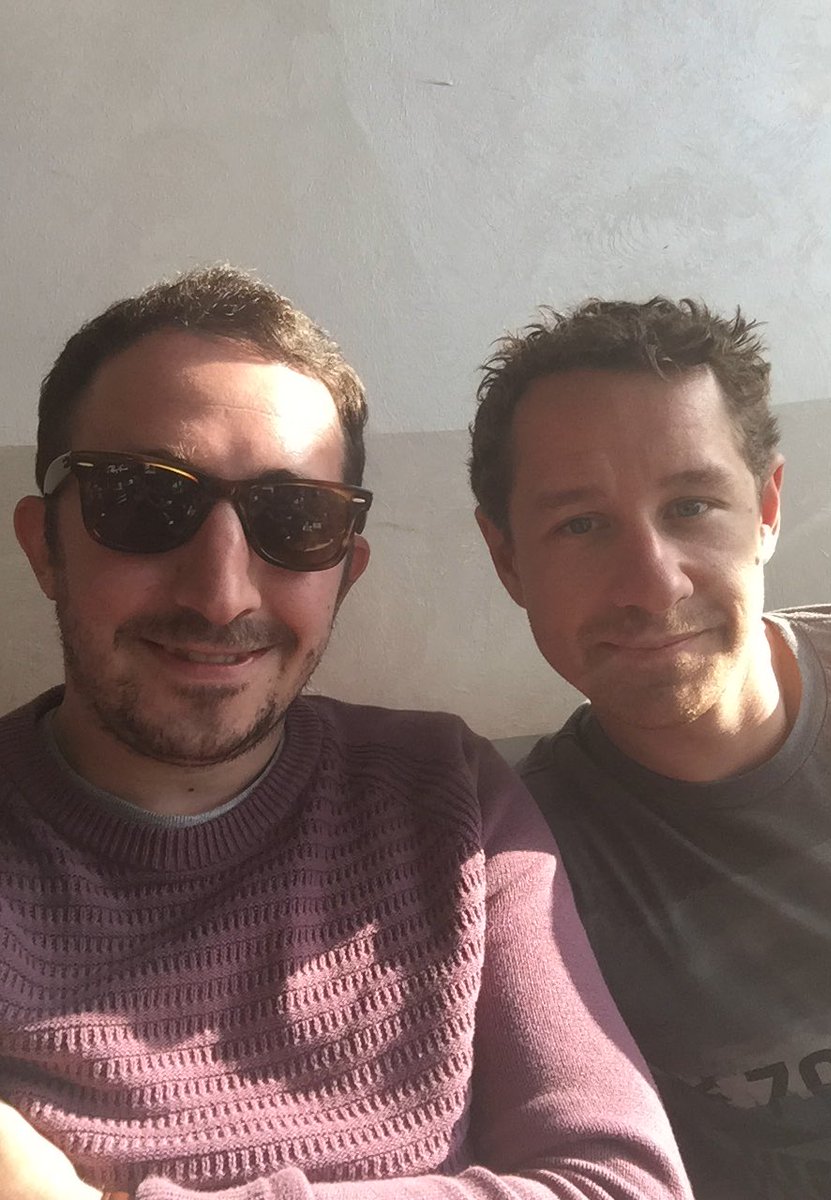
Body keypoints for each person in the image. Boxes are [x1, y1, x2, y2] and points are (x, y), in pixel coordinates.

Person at [0, 267, 692, 1200]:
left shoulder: (444, 793)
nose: (221, 595)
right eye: (144, 504)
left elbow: (625, 1183)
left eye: (295, 521)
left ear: (346, 570)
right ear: (44, 544)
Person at [469, 296, 831, 1200]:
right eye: (580, 525)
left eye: (692, 505)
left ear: (767, 508)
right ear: (507, 562)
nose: (651, 583)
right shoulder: (521, 866)